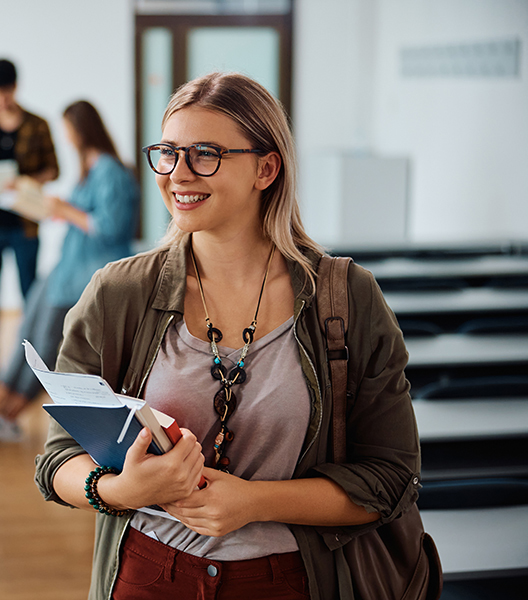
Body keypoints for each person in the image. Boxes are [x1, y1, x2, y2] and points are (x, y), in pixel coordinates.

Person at [34, 73, 423, 600]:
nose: (178, 174)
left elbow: (389, 477)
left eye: (205, 154)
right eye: (167, 153)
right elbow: (58, 459)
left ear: (266, 168)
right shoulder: (117, 293)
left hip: (290, 580)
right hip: (148, 576)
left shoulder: (347, 297)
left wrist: (253, 502)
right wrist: (119, 490)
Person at [0, 100, 139, 442]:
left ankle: (7, 415)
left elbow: (111, 228)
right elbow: (85, 217)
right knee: (27, 335)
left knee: (46, 345)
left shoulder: (109, 169)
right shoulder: (91, 169)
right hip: (65, 270)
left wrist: (65, 208)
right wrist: (53, 207)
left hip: (86, 276)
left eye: (67, 128)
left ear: (79, 129)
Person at [0, 58, 59, 372]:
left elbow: (54, 169)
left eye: (5, 90)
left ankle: (30, 356)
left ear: (15, 87)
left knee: (29, 292)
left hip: (24, 222)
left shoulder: (37, 124)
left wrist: (26, 182)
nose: (1, 98)